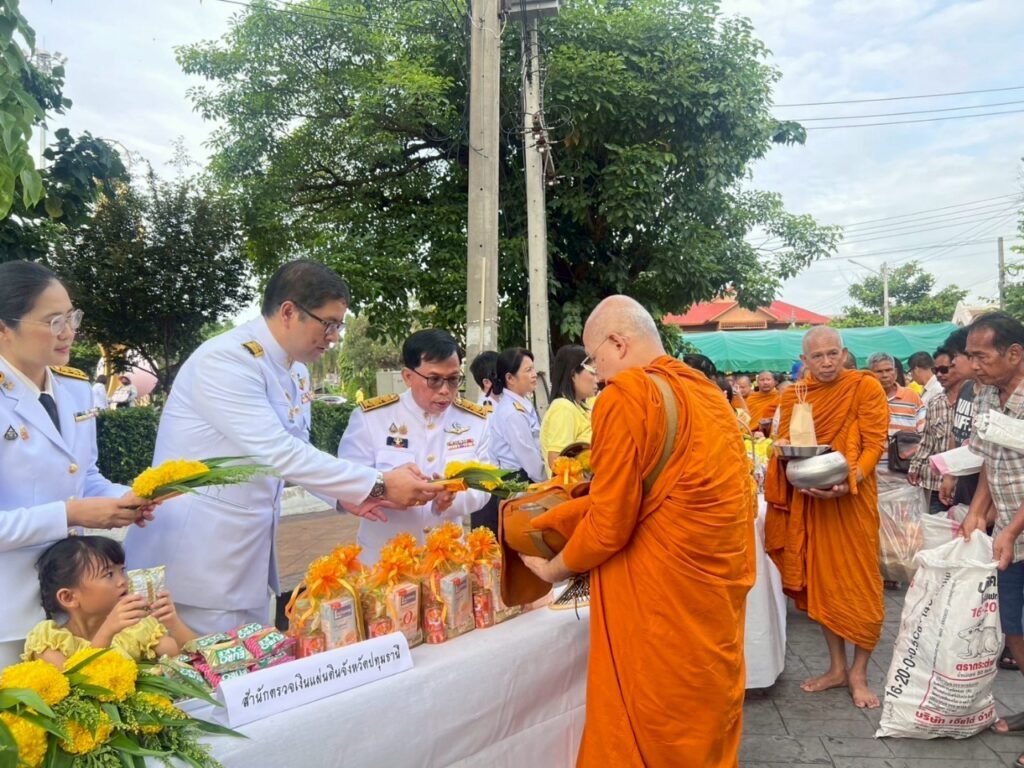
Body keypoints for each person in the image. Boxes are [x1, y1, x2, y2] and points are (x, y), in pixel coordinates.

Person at [126, 259, 438, 634]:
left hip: (247, 561)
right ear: (289, 312)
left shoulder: (295, 370)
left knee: (253, 660)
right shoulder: (227, 360)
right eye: (328, 324)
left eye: (339, 326)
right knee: (206, 665)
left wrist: (344, 497)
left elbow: (297, 448)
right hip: (198, 562)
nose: (334, 337)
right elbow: (278, 452)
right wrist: (379, 483)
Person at [521, 295, 754, 767]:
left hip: (660, 602)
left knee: (655, 723)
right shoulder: (710, 394)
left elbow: (609, 525)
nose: (598, 373)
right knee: (704, 712)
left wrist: (554, 569)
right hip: (714, 592)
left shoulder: (626, 396)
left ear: (618, 342)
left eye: (596, 358)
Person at [0, 261, 156, 668]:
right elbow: (71, 504)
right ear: (3, 328)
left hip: (73, 609)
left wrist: (128, 499)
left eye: (71, 317)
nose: (68, 332)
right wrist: (70, 514)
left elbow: (83, 475)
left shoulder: (74, 387)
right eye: (53, 321)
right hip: (8, 613)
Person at [765, 327, 888, 708]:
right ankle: (837, 668)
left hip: (853, 500)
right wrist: (782, 448)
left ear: (844, 353)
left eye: (833, 354)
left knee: (862, 584)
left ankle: (859, 673)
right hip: (813, 500)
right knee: (823, 584)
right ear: (805, 360)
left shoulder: (864, 387)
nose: (827, 362)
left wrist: (851, 480)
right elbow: (790, 442)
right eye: (817, 356)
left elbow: (874, 443)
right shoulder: (796, 394)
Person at [338, 329, 491, 563]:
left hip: (447, 559)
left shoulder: (474, 421)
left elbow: (485, 483)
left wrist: (450, 500)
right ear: (408, 376)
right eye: (434, 379)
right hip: (386, 560)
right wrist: (387, 487)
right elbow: (345, 479)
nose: (445, 390)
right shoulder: (372, 418)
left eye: (453, 379)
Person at [959, 313, 1024, 743]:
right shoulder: (985, 394)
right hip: (1009, 535)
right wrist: (977, 512)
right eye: (970, 356)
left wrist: (1011, 529)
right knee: (1012, 624)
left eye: (981, 356)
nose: (973, 365)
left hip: (1014, 532)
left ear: (1014, 353)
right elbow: (990, 459)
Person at [24, 536, 195, 667]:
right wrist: (107, 632)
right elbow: (78, 688)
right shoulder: (49, 640)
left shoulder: (135, 629)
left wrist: (173, 622)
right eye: (109, 574)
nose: (122, 581)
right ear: (69, 598)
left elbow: (194, 660)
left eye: (122, 570)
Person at [907, 348, 961, 514]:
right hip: (937, 484)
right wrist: (915, 465)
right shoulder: (936, 402)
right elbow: (928, 440)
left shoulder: (974, 399)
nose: (939, 375)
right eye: (935, 370)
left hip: (964, 485)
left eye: (944, 370)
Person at [487, 347, 545, 483]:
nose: (534, 374)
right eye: (528, 370)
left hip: (528, 478)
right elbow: (530, 460)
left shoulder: (521, 403)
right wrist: (550, 480)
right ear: (510, 378)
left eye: (533, 369)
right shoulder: (512, 413)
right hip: (521, 482)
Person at [868, 351, 924, 486]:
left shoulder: (912, 397)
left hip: (906, 478)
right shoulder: (864, 399)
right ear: (870, 375)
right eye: (879, 371)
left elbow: (925, 435)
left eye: (888, 370)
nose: (885, 375)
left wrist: (917, 465)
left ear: (896, 372)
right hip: (872, 479)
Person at [539, 344, 598, 471]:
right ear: (573, 375)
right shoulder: (563, 408)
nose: (597, 380)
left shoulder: (579, 407)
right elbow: (557, 462)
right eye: (592, 372)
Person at [745, 370, 781, 434]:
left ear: (775, 382)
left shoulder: (779, 396)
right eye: (762, 380)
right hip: (751, 432)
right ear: (757, 382)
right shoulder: (751, 398)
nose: (765, 382)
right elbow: (746, 416)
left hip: (772, 432)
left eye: (768, 379)